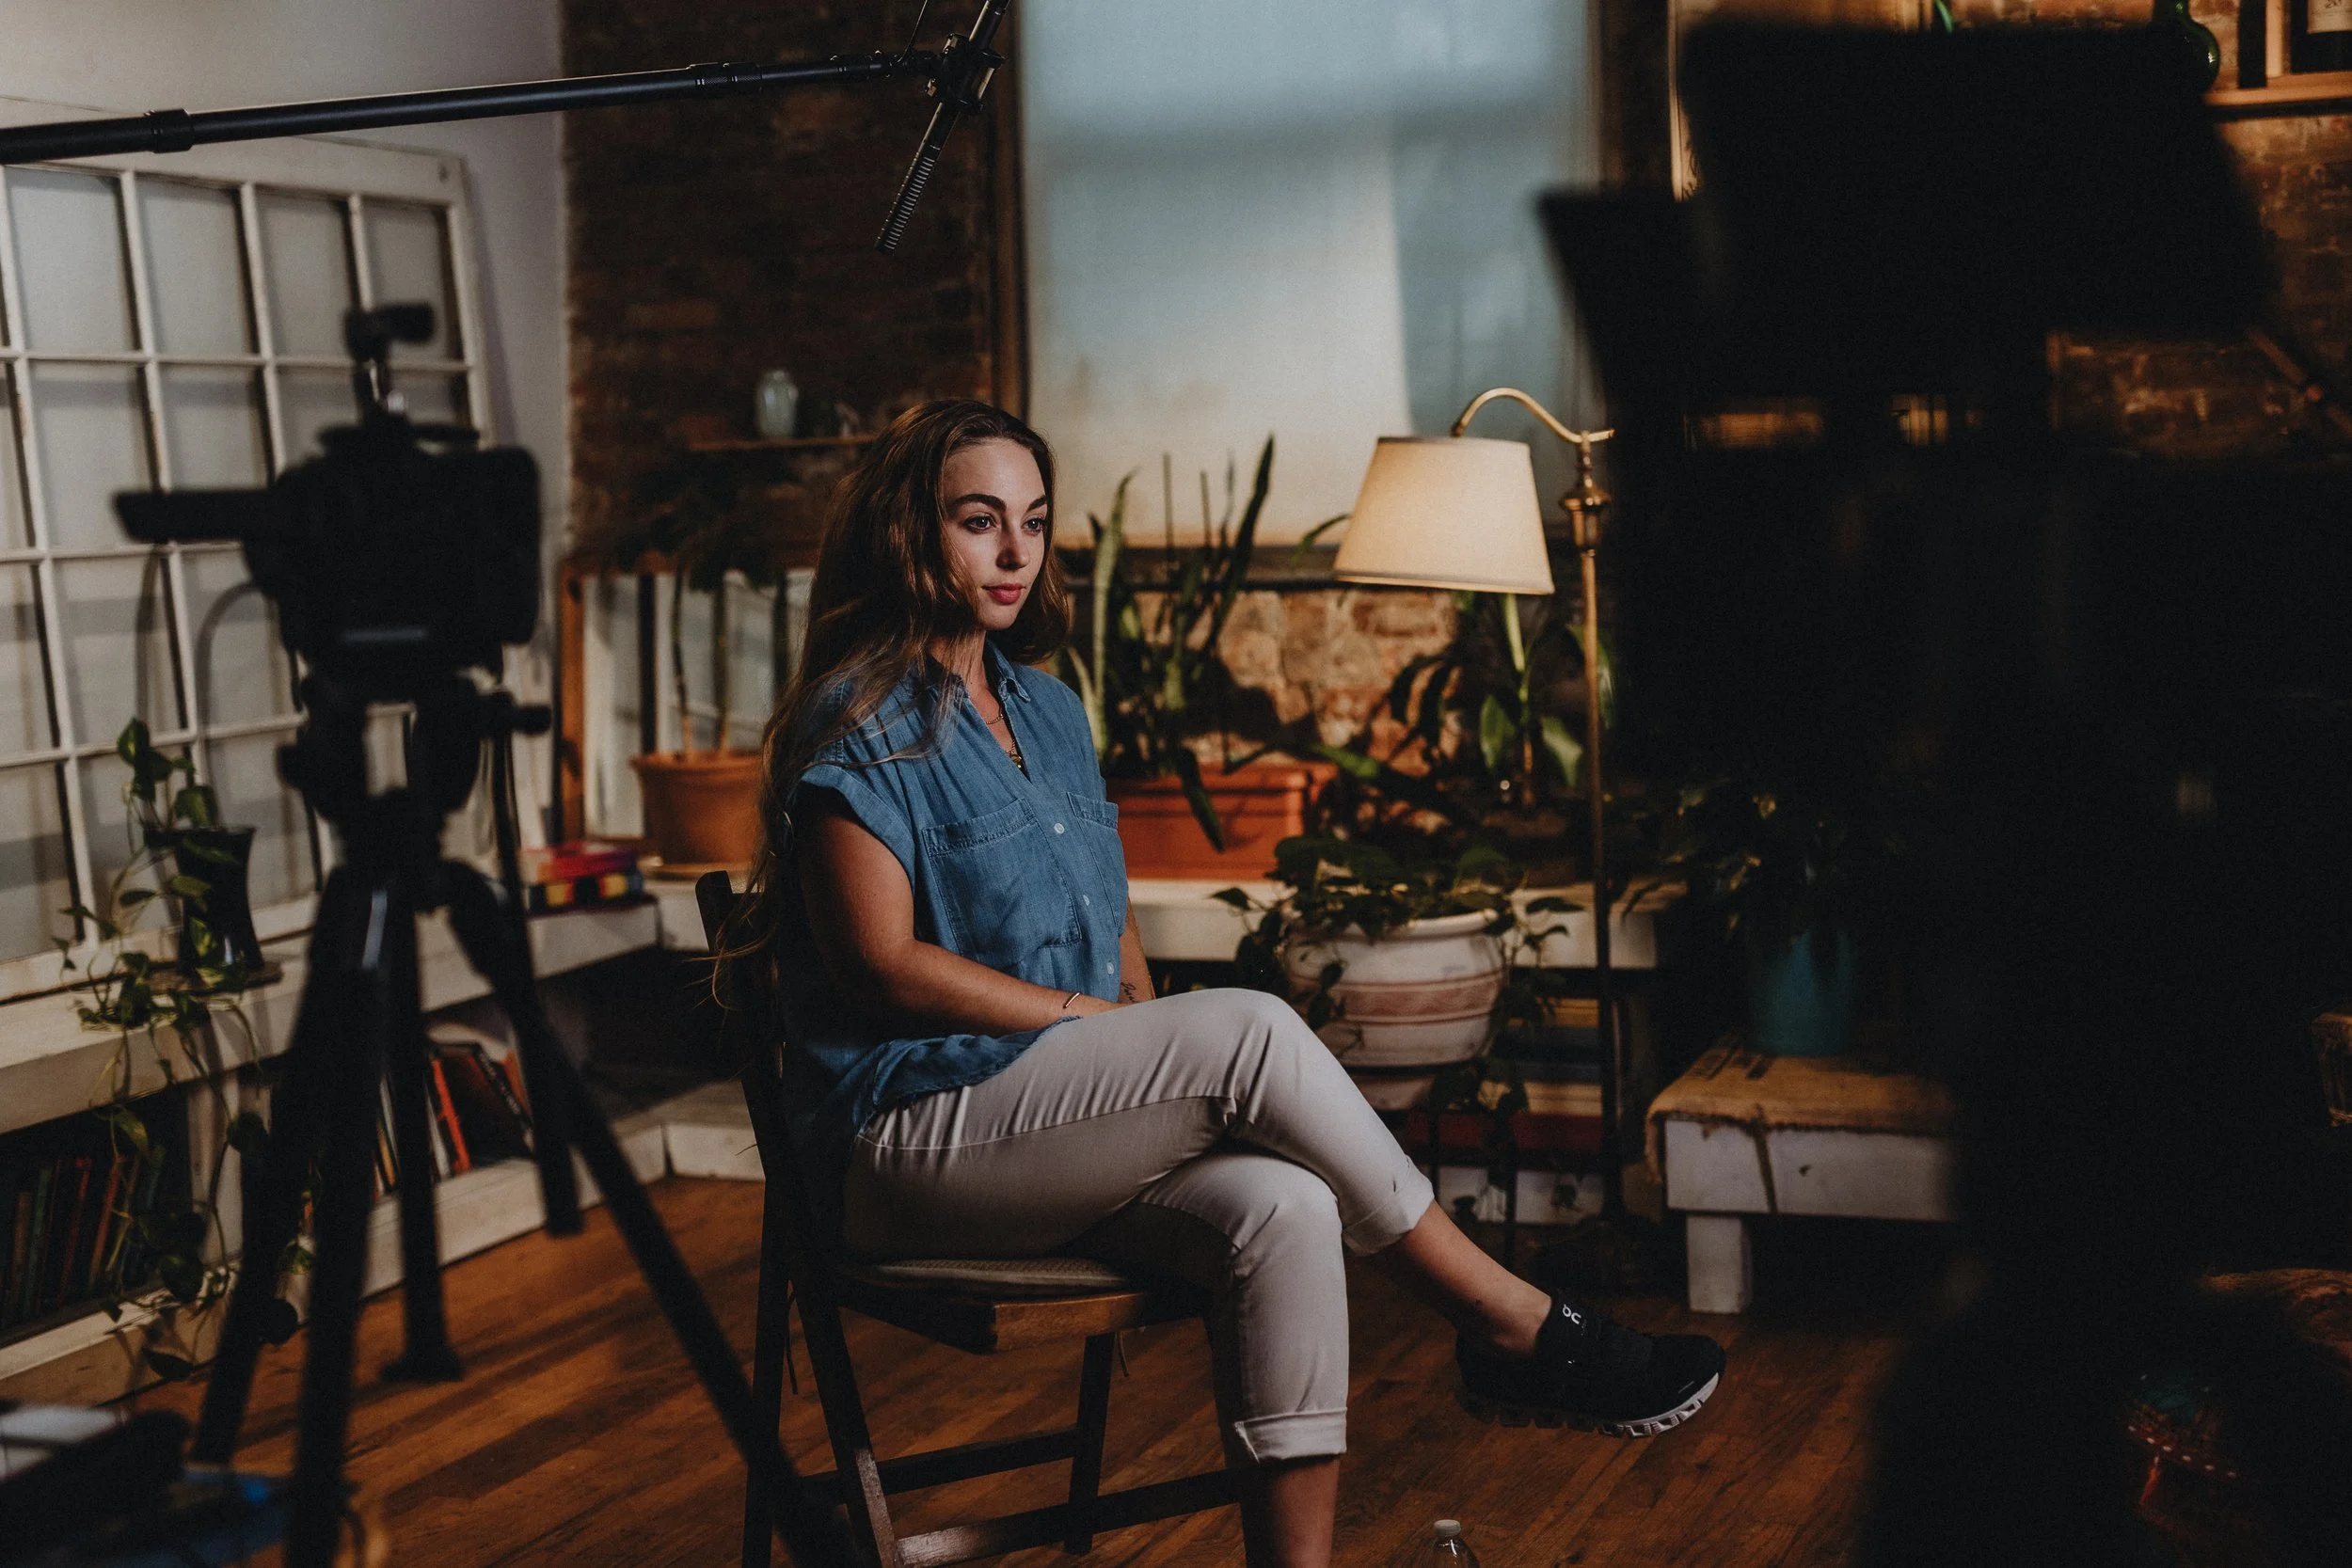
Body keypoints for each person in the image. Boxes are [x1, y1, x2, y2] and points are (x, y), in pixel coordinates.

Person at [723, 399, 1724, 1568]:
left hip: (1041, 1133)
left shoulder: (1045, 707)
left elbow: (1107, 924)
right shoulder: (858, 723)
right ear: (910, 531)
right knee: (1245, 1028)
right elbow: (882, 970)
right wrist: (1111, 1029)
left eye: (1034, 523)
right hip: (896, 1145)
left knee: (1284, 1208)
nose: (1013, 553)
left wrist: (1130, 1027)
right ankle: (1506, 1316)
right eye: (978, 521)